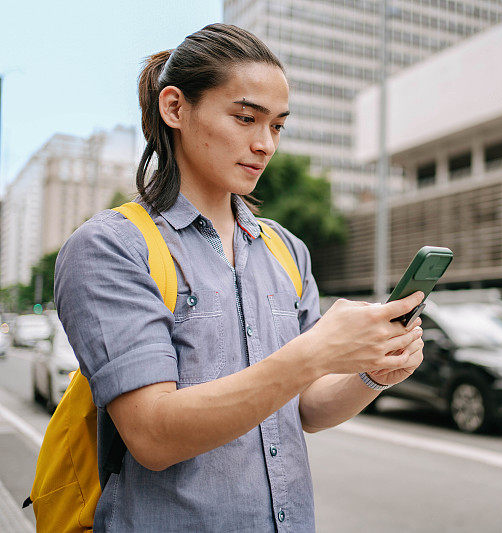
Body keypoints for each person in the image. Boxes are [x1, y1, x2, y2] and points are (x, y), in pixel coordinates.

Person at [53, 23, 425, 532]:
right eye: (246, 118)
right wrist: (313, 352)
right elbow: (153, 436)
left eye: (277, 126)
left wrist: (370, 375)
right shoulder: (111, 246)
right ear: (175, 108)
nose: (265, 144)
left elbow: (306, 409)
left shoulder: (286, 249)